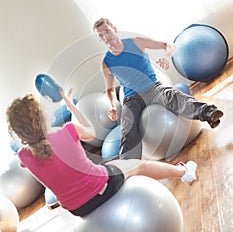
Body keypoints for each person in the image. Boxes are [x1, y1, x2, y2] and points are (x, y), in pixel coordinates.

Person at [6, 89, 197, 218]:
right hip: (102, 187)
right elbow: (91, 132)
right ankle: (184, 172)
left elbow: (42, 153)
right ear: (42, 118)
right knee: (138, 165)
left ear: (18, 131)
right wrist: (72, 107)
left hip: (77, 209)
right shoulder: (68, 130)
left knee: (114, 168)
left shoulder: (24, 156)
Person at [93, 17, 224, 160]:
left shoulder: (136, 42)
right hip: (132, 98)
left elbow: (169, 46)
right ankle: (128, 164)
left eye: (107, 31)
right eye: (100, 35)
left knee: (174, 97)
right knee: (127, 128)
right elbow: (110, 89)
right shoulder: (106, 63)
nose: (105, 37)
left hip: (153, 88)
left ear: (114, 29)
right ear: (99, 39)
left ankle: (208, 112)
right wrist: (112, 106)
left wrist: (167, 57)